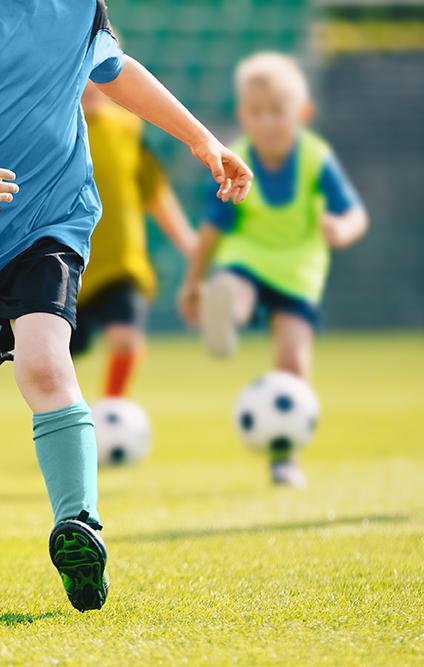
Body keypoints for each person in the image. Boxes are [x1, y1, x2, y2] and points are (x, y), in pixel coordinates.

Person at [0, 0, 252, 611]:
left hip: (51, 224)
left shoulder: (80, 8)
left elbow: (116, 69)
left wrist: (203, 140)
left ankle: (80, 526)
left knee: (44, 364)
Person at [178, 52, 368, 487]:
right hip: (247, 258)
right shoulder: (237, 160)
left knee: (293, 360)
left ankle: (284, 455)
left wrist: (341, 229)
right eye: (256, 113)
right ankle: (224, 314)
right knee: (234, 290)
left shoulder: (316, 160)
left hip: (299, 272)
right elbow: (210, 231)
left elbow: (356, 214)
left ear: (302, 114)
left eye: (276, 112)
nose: (266, 123)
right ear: (243, 116)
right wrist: (194, 283)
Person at [71, 82, 196, 396]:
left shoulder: (128, 128)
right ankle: (66, 416)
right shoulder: (54, 127)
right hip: (68, 264)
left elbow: (154, 192)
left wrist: (189, 244)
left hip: (121, 264)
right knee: (56, 355)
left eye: (98, 71)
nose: (89, 84)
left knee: (125, 337)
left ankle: (113, 407)